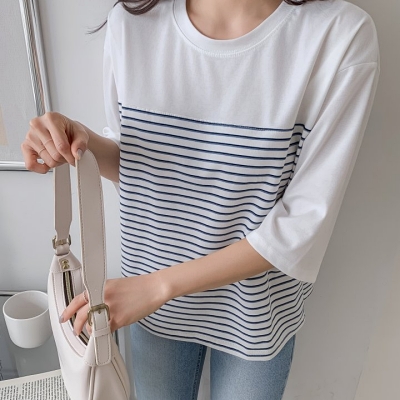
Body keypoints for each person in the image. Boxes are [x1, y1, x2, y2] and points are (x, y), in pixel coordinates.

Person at [21, 0, 380, 398]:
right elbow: (138, 166)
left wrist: (160, 286)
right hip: (149, 303)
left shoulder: (338, 36)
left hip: (249, 313)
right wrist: (79, 144)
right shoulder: (133, 23)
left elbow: (302, 226)